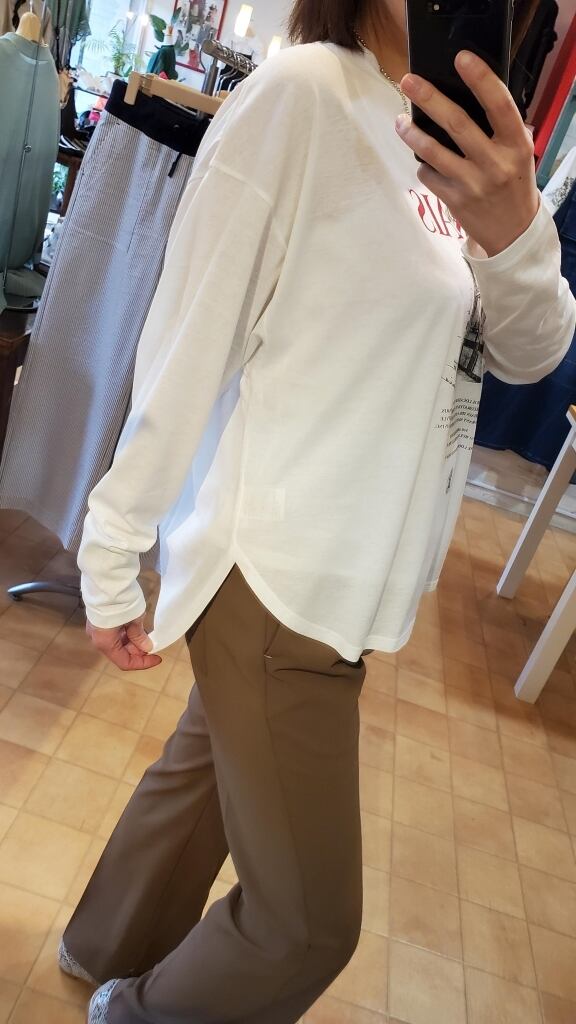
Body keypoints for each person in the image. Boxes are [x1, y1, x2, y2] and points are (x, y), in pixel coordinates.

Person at [60, 1, 575, 1022]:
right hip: (277, 572)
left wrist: (517, 232)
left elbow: (528, 355)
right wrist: (111, 550)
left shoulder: (473, 152)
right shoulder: (304, 98)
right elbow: (188, 339)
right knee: (307, 925)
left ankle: (100, 946)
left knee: (208, 772)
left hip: (349, 575)